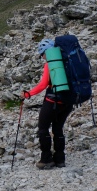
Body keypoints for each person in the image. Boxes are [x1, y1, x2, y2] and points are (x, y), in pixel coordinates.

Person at [23, 38, 74, 169]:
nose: (43, 58)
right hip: (68, 101)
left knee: (43, 128)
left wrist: (28, 94)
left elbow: (43, 85)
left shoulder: (50, 63)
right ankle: (60, 159)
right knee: (58, 129)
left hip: (52, 101)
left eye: (42, 54)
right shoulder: (68, 59)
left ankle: (46, 159)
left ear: (45, 52)